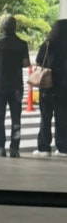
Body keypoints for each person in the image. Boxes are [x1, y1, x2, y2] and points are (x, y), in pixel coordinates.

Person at [0, 16, 30, 158]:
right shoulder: (22, 44)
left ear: (2, 27)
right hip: (16, 85)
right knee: (16, 118)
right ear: (15, 27)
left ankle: (0, 148)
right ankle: (14, 149)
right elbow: (26, 63)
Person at [33, 19, 67, 157]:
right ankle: (63, 148)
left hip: (48, 85)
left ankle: (44, 148)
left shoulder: (48, 44)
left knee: (45, 117)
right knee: (63, 117)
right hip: (64, 87)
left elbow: (39, 61)